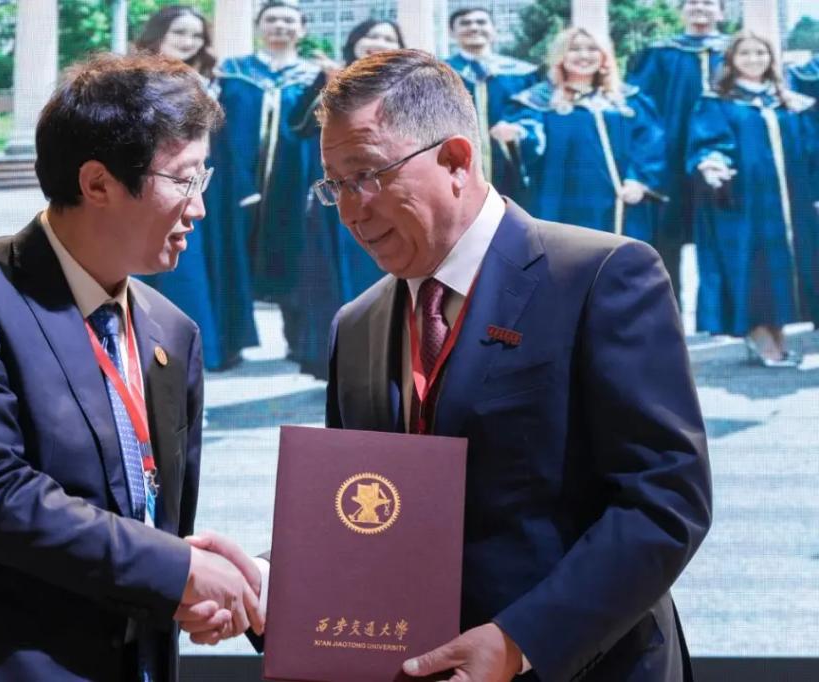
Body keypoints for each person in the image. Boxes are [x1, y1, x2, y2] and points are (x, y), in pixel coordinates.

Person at [293, 49, 708, 681]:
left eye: (368, 176)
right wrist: (267, 579)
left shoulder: (600, 276)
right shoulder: (357, 324)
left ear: (456, 160)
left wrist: (520, 641)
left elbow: (666, 500)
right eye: (336, 186)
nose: (352, 211)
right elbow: (363, 513)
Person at [0, 53, 264, 681]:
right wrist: (179, 571)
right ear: (98, 183)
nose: (199, 208)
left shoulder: (171, 330)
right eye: (184, 181)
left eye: (203, 179)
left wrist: (188, 590)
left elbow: (153, 520)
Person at [686, 32, 819, 367]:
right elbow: (709, 142)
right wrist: (713, 163)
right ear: (731, 60)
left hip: (789, 202)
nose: (754, 59)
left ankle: (776, 332)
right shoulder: (717, 102)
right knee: (750, 264)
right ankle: (759, 335)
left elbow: (810, 149)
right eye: (745, 53)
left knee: (782, 265)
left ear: (771, 59)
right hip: (742, 202)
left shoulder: (789, 102)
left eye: (761, 53)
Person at [283, 18, 403, 378]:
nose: (378, 41)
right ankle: (341, 358)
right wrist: (328, 85)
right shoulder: (331, 80)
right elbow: (298, 127)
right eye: (371, 36)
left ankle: (393, 354)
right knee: (335, 274)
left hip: (390, 190)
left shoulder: (409, 83)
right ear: (354, 42)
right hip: (340, 193)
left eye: (387, 37)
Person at [202, 1, 319, 368]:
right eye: (271, 19)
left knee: (296, 257)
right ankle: (230, 342)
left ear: (302, 30)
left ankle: (300, 343)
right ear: (258, 27)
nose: (280, 25)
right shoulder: (232, 73)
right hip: (236, 181)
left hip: (294, 183)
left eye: (288, 20)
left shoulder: (314, 76)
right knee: (232, 255)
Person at [501, 28, 666, 241]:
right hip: (561, 197)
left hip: (617, 198)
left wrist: (638, 180)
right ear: (561, 56)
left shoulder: (627, 101)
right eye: (574, 49)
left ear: (604, 55)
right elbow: (530, 133)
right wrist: (517, 135)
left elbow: (650, 142)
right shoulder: (538, 101)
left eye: (592, 49)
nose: (584, 55)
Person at [133, 7, 225, 371]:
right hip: (141, 182)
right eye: (180, 32)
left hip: (186, 186)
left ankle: (186, 354)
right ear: (159, 33)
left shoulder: (201, 80)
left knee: (183, 268)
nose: (189, 42)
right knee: (138, 264)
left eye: (196, 36)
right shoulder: (133, 76)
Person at [626, 0, 729, 301]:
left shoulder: (736, 52)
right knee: (665, 240)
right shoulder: (659, 54)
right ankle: (667, 313)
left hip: (723, 157)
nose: (700, 8)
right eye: (692, 2)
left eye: (709, 2)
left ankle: (730, 316)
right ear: (681, 10)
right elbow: (640, 107)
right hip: (669, 159)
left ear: (721, 12)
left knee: (728, 237)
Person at [444, 6, 539, 201]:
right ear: (452, 33)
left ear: (494, 30)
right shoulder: (438, 72)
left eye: (481, 22)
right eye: (465, 23)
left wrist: (519, 130)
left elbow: (535, 115)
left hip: (510, 167)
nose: (474, 27)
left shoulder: (522, 73)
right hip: (455, 166)